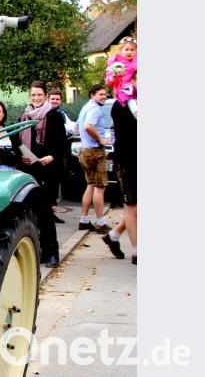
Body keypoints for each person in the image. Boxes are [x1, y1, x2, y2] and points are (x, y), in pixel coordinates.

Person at [18, 80, 64, 267]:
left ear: (45, 96)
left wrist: (51, 156)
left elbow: (61, 144)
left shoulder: (53, 116)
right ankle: (38, 250)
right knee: (30, 211)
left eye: (39, 95)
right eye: (33, 95)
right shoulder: (25, 116)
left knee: (46, 212)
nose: (36, 98)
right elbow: (18, 140)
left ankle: (52, 251)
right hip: (30, 168)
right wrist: (23, 157)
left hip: (48, 169)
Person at [76, 84, 112, 234]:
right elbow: (87, 126)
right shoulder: (95, 109)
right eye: (100, 94)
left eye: (105, 94)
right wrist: (101, 140)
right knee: (100, 187)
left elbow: (77, 127)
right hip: (95, 151)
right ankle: (101, 223)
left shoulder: (85, 107)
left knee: (90, 185)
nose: (104, 96)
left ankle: (83, 220)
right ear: (92, 95)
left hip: (84, 150)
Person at [108, 86, 138, 264]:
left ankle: (113, 234)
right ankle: (136, 252)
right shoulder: (121, 105)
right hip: (128, 161)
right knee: (132, 207)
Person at [105, 36, 138, 118]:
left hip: (136, 89)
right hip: (123, 88)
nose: (129, 52)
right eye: (126, 49)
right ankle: (136, 112)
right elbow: (108, 80)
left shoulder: (137, 61)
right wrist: (113, 77)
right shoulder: (116, 63)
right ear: (121, 50)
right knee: (129, 99)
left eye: (132, 50)